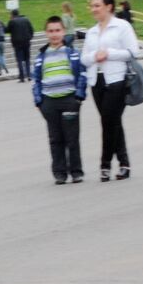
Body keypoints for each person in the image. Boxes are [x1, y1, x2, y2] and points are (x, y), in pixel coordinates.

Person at [81, 0, 140, 181]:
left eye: (97, 5)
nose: (93, 9)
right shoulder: (91, 32)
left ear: (109, 7)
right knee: (113, 122)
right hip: (96, 80)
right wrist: (94, 56)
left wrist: (109, 53)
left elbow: (133, 52)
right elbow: (84, 58)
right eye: (92, 6)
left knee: (108, 121)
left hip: (116, 80)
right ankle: (124, 163)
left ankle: (105, 164)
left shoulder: (121, 26)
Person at [31, 16, 89, 184]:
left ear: (63, 32)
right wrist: (39, 101)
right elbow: (36, 80)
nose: (54, 34)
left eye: (57, 30)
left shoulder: (72, 54)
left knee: (72, 138)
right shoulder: (41, 57)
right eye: (51, 31)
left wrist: (79, 97)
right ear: (46, 33)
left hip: (69, 99)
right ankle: (59, 173)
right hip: (49, 102)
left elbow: (82, 75)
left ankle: (76, 171)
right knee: (55, 139)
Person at [7, 7, 35, 82]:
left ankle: (22, 77)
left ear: (12, 15)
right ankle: (29, 75)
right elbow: (32, 30)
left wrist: (10, 20)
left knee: (19, 60)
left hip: (17, 43)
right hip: (26, 41)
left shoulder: (12, 21)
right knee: (27, 59)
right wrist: (30, 37)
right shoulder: (26, 19)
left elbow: (7, 30)